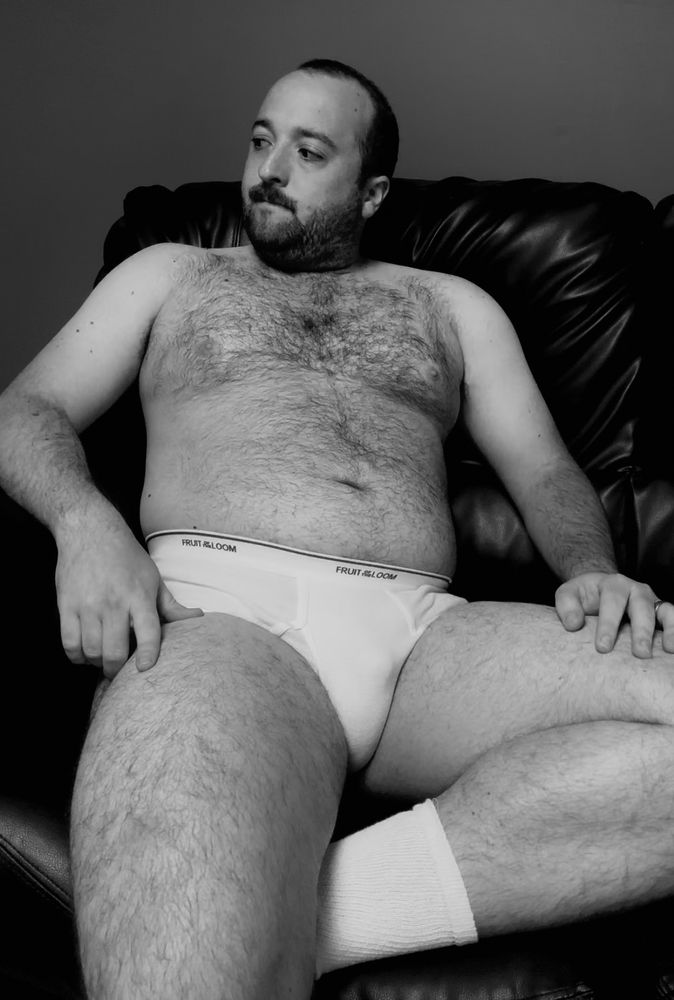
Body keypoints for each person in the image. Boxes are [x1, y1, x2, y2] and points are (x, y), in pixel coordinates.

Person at [1, 56, 673, 1000]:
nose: (269, 169)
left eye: (310, 152)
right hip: (218, 621)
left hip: (424, 642)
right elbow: (25, 409)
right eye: (261, 140)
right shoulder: (170, 274)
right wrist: (86, 527)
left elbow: (547, 470)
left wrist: (591, 567)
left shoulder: (452, 307)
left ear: (373, 192)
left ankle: (301, 919)